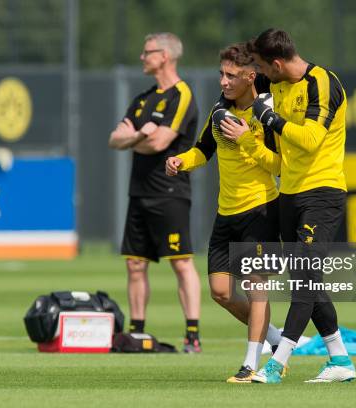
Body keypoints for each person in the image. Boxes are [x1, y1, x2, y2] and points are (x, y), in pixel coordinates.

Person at [166, 43, 284, 382]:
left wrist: (248, 139)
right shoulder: (220, 110)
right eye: (221, 73)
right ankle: (275, 339)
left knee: (254, 284)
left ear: (250, 77)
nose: (223, 81)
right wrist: (180, 162)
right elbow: (203, 150)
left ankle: (251, 363)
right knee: (220, 292)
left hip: (260, 210)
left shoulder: (266, 113)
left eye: (230, 75)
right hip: (226, 213)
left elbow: (279, 165)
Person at [246, 28, 356, 384]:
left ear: (277, 63)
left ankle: (277, 363)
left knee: (304, 283)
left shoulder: (322, 82)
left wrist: (269, 119)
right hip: (289, 194)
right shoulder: (272, 82)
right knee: (307, 279)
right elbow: (242, 84)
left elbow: (310, 140)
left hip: (322, 193)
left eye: (264, 67)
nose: (262, 74)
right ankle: (340, 359)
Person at [108, 32, 202, 353]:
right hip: (139, 192)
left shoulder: (182, 94)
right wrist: (137, 137)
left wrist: (133, 137)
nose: (142, 57)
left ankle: (192, 335)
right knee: (135, 264)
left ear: (164, 56)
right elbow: (114, 139)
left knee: (181, 262)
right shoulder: (143, 98)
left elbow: (160, 142)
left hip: (170, 191)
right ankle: (137, 332)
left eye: (147, 52)